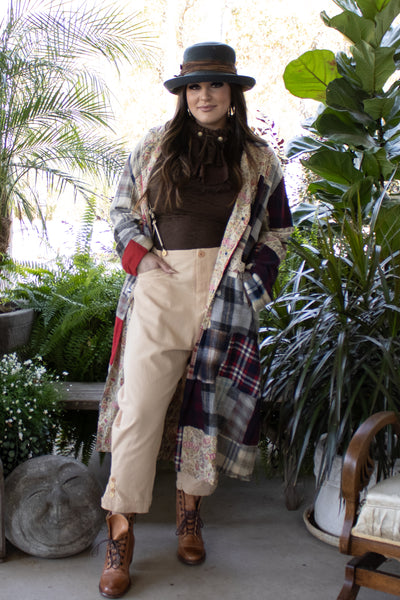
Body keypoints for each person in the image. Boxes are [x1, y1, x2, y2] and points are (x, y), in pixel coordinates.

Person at [96, 41, 293, 598]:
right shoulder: (152, 147)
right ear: (182, 95)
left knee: (206, 409)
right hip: (161, 287)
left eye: (215, 85)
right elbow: (120, 210)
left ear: (233, 93)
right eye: (194, 87)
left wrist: (251, 285)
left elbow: (279, 231)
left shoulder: (259, 159)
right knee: (138, 410)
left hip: (225, 292)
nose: (204, 95)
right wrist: (140, 259)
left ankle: (190, 515)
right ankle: (120, 536)